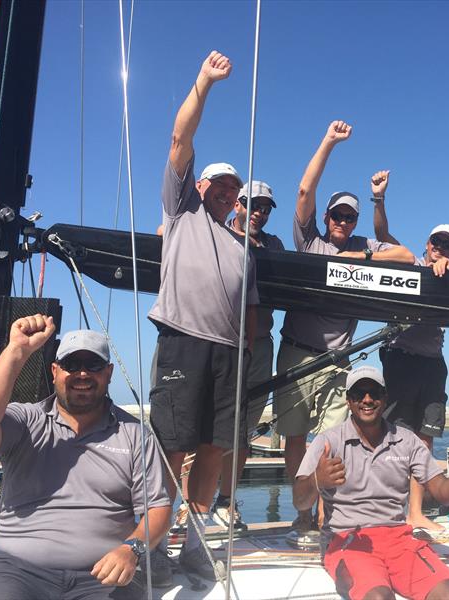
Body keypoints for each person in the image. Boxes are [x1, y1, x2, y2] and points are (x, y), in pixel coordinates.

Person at [0, 317, 171, 599]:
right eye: (71, 365)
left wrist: (132, 548)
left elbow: (158, 509)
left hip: (103, 576)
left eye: (93, 365)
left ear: (108, 373)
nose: (82, 374)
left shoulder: (134, 434)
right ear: (55, 371)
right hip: (13, 571)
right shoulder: (26, 421)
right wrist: (16, 351)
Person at [147, 50, 259, 579]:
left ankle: (193, 539)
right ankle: (151, 541)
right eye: (219, 184)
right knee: (172, 447)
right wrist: (204, 83)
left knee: (215, 447)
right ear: (199, 187)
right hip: (183, 341)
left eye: (234, 187)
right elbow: (180, 139)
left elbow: (251, 311)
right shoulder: (181, 210)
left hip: (229, 354)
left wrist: (249, 352)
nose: (227, 191)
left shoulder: (244, 248)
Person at [274, 121, 414, 533]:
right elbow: (303, 192)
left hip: (338, 363)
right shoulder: (310, 241)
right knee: (295, 438)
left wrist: (363, 261)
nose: (342, 221)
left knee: (332, 440)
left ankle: (325, 515)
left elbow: (405, 256)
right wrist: (329, 142)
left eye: (349, 217)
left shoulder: (360, 246)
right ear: (327, 216)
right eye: (337, 214)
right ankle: (302, 512)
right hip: (297, 352)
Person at [292, 365, 449, 600]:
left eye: (374, 393)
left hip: (399, 540)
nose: (367, 399)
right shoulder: (328, 442)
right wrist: (317, 479)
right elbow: (299, 501)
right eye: (358, 394)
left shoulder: (407, 441)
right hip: (347, 539)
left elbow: (442, 491)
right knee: (379, 597)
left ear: (385, 399)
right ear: (348, 401)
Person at [371, 170, 449, 531]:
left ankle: (415, 511)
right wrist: (379, 198)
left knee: (424, 440)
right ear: (426, 244)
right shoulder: (408, 261)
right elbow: (380, 235)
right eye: (436, 243)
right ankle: (383, 508)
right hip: (400, 358)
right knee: (390, 434)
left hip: (433, 364)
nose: (440, 249)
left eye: (447, 245)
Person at [211, 180, 284, 531]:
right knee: (209, 427)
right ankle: (192, 502)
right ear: (238, 204)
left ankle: (227, 500)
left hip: (260, 345)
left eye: (267, 208)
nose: (260, 213)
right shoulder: (215, 234)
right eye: (255, 205)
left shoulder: (275, 246)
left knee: (244, 431)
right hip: (221, 343)